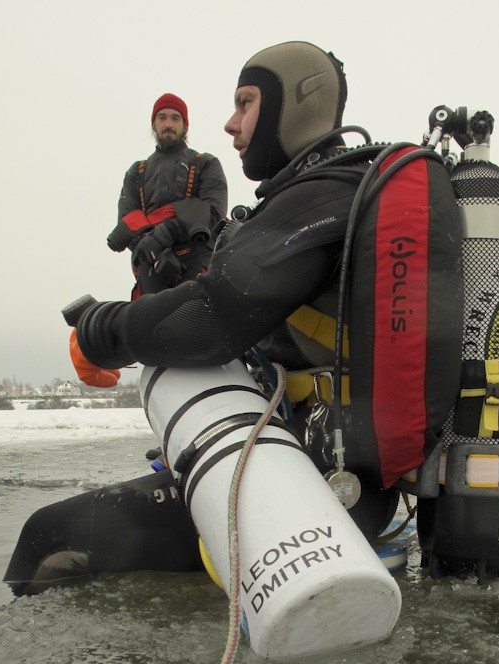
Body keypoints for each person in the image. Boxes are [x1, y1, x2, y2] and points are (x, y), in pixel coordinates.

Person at [68, 41, 462, 540]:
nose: (231, 123)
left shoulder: (321, 195)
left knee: (58, 537)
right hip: (319, 464)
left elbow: (211, 320)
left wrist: (97, 331)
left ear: (291, 104)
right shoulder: (333, 188)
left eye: (245, 103)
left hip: (321, 483)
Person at [107, 93, 228, 298]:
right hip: (150, 263)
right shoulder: (137, 172)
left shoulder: (205, 163)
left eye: (175, 118)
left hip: (197, 257)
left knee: (196, 323)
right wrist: (156, 255)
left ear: (185, 125)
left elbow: (214, 213)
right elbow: (127, 222)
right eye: (162, 117)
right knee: (152, 327)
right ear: (154, 124)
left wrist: (164, 234)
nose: (168, 123)